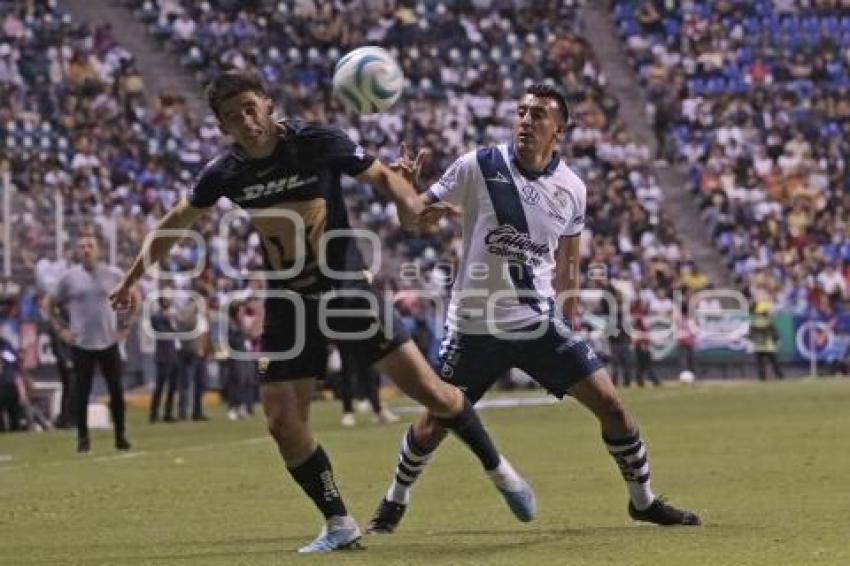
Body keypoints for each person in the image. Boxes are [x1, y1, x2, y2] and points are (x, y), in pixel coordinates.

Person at [108, 70, 534, 553]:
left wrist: (413, 205)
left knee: (431, 393)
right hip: (287, 302)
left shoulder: (316, 142)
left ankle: (499, 470)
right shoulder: (225, 171)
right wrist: (130, 278)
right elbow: (175, 223)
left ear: (268, 104)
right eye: (232, 117)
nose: (245, 121)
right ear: (223, 127)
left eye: (250, 107)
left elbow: (383, 178)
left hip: (344, 290)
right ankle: (338, 522)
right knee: (282, 422)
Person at [367, 84, 700, 534]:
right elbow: (413, 221)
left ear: (558, 130)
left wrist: (568, 317)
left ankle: (642, 501)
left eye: (538, 114)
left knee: (613, 407)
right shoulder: (477, 165)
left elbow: (569, 264)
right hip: (474, 325)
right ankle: (394, 499)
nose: (526, 120)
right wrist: (403, 192)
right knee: (434, 424)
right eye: (521, 111)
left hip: (538, 321)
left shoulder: (573, 189)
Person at [46, 235, 134, 453]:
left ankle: (120, 435)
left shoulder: (113, 274)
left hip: (108, 341)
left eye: (90, 246)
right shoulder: (69, 278)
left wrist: (126, 325)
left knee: (116, 390)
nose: (86, 250)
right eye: (82, 246)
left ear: (99, 250)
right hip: (82, 344)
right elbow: (49, 304)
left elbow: (134, 297)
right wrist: (61, 330)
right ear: (77, 251)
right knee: (81, 393)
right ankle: (83, 439)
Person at [149, 297, 181, 423]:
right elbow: (163, 332)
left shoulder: (172, 317)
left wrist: (173, 321)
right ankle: (154, 413)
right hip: (163, 355)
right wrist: (169, 320)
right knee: (160, 386)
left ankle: (168, 412)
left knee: (172, 386)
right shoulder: (156, 317)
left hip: (173, 353)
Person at [749, 301, 784, 381]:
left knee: (760, 364)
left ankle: (762, 379)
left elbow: (751, 335)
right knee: (774, 363)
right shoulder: (768, 322)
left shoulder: (754, 322)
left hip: (758, 347)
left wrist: (754, 341)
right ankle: (780, 377)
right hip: (769, 347)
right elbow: (774, 334)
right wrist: (776, 341)